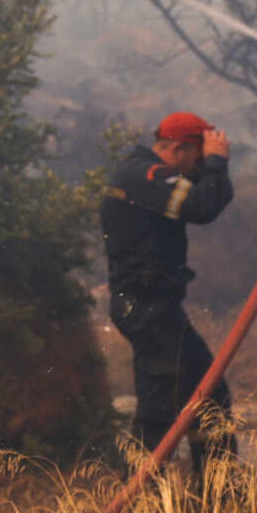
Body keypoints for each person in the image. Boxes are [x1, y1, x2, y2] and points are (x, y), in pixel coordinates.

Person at [99, 110, 237, 474]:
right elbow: (202, 206)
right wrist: (218, 162)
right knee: (160, 413)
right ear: (178, 149)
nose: (198, 166)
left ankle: (218, 501)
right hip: (149, 307)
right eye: (197, 156)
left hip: (155, 307)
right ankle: (142, 511)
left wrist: (215, 166)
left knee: (210, 400)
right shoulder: (148, 176)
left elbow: (214, 199)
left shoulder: (145, 174)